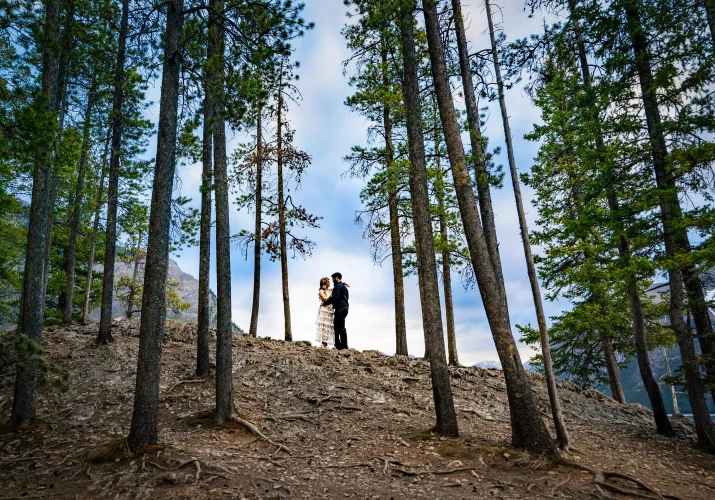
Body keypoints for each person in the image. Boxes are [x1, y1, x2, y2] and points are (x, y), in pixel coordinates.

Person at [322, 272, 349, 350]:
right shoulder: (344, 287)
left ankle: (343, 345)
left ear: (336, 278)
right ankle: (338, 344)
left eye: (333, 279)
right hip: (345, 308)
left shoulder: (337, 286)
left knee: (340, 327)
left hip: (340, 308)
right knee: (338, 326)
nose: (332, 280)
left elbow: (334, 298)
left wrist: (325, 303)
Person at [315, 277, 334, 348]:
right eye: (328, 282)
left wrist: (343, 283)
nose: (329, 283)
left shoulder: (329, 289)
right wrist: (331, 292)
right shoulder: (321, 291)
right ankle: (324, 344)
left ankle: (326, 344)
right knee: (324, 326)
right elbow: (325, 299)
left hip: (330, 309)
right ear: (324, 283)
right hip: (324, 310)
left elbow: (336, 287)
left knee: (328, 326)